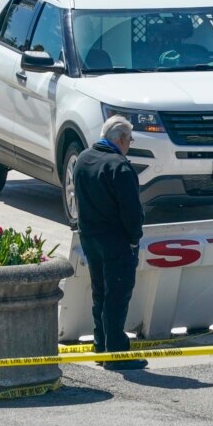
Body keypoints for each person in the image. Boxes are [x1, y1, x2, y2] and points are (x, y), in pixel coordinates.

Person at [74, 115, 147, 370]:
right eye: (130, 140)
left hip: (90, 237)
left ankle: (101, 345)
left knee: (100, 293)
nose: (129, 145)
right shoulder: (120, 167)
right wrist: (134, 239)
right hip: (116, 242)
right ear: (122, 139)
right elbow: (131, 212)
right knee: (117, 296)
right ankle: (116, 352)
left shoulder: (83, 159)